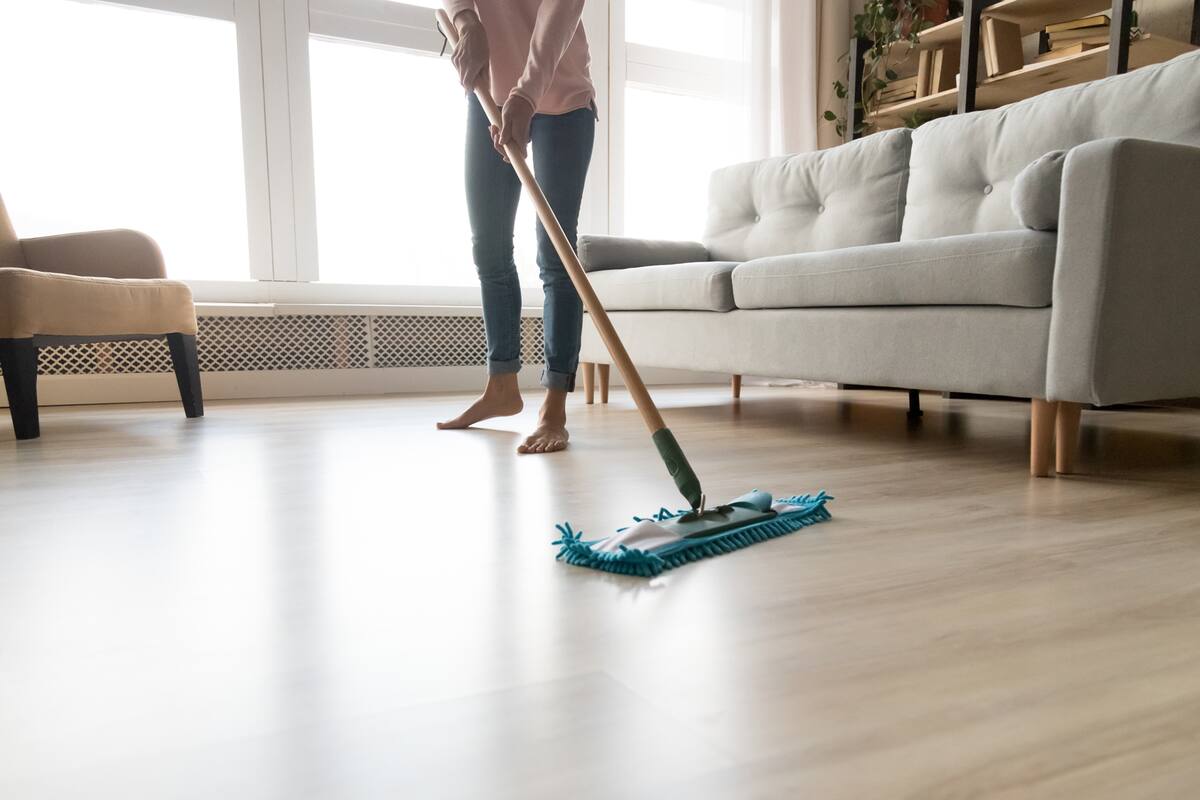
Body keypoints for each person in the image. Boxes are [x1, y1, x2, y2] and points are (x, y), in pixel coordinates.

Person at [436, 0, 595, 454]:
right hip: (490, 92)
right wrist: (467, 22)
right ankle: (501, 386)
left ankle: (554, 406)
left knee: (555, 253)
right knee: (488, 246)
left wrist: (525, 95)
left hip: (562, 100)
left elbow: (558, 16)